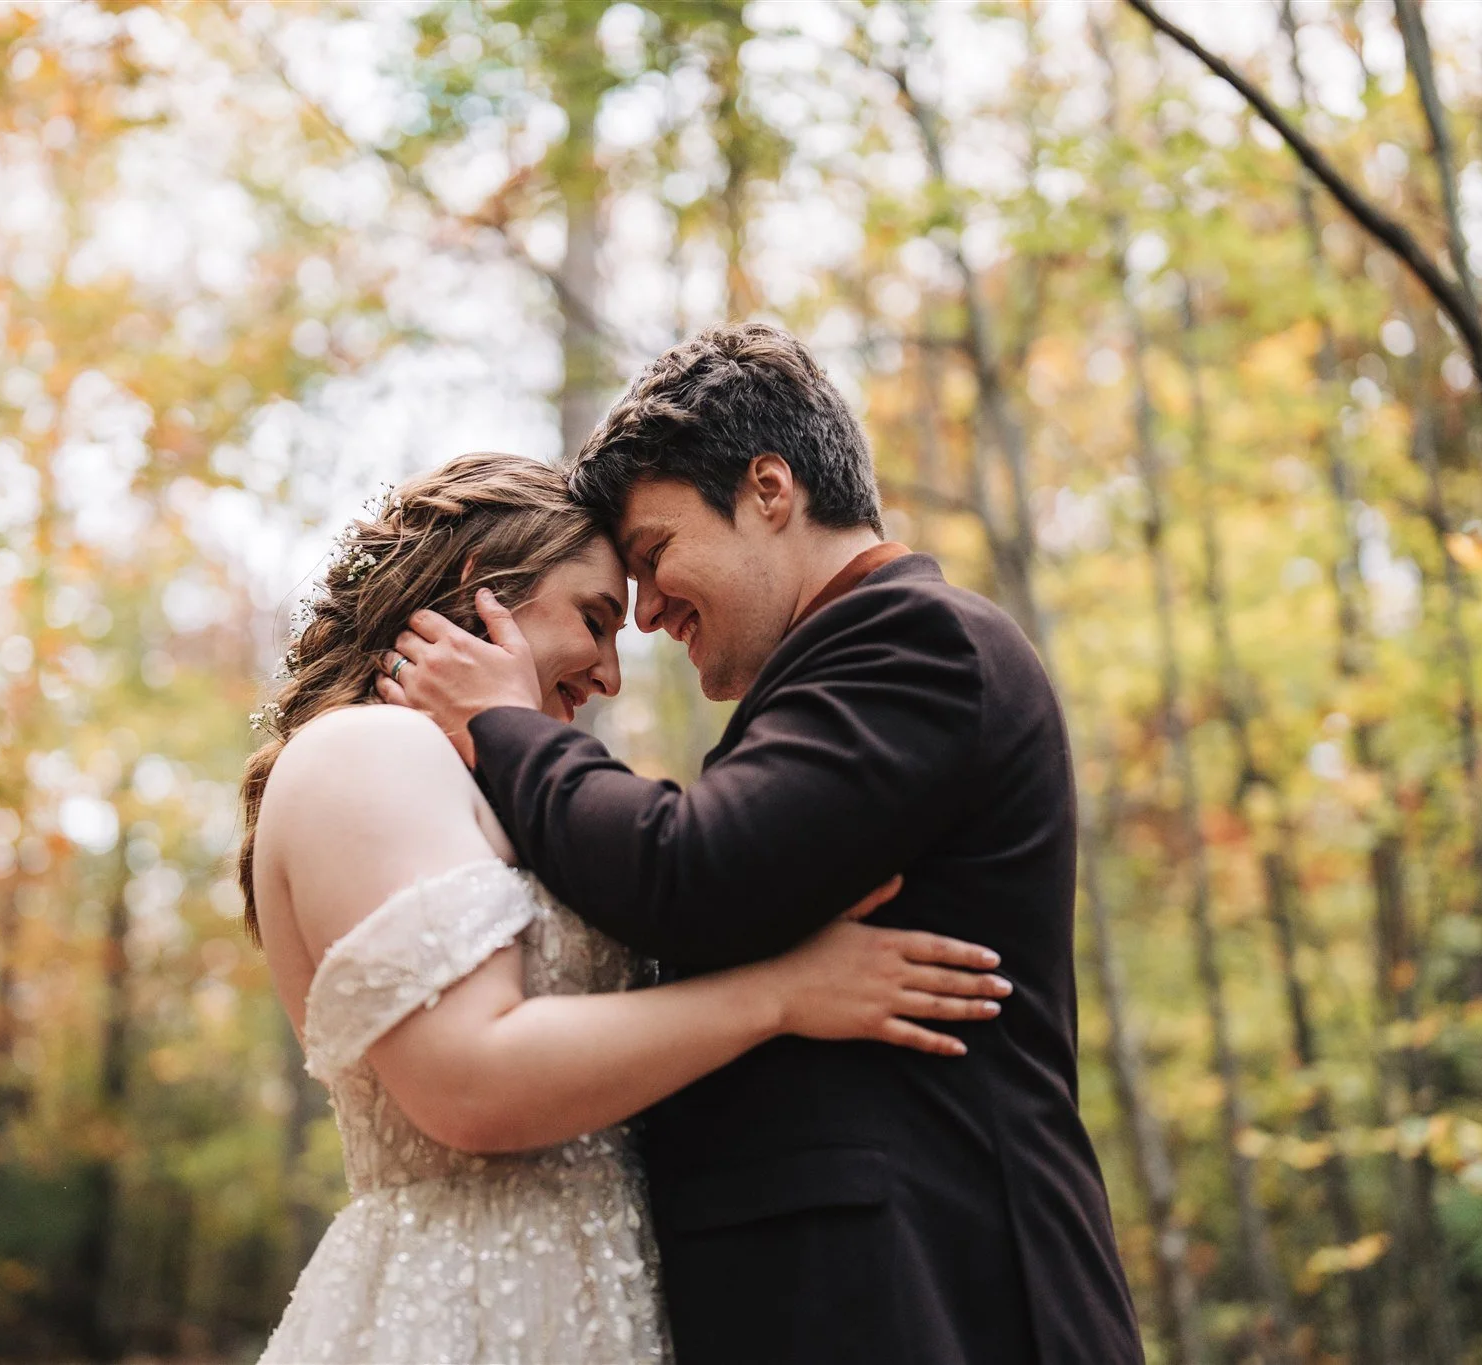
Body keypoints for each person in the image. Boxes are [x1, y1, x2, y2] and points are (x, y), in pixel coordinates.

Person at [380, 325, 1146, 1364]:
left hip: (936, 1294)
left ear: (769, 489)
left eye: (653, 558)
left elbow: (693, 873)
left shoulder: (918, 641)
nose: (646, 615)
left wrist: (503, 727)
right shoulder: (840, 668)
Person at [242, 452, 1013, 1364]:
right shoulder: (369, 751)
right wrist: (782, 994)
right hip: (471, 1309)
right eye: (596, 620)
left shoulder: (480, 793)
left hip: (604, 1298)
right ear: (479, 588)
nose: (609, 673)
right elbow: (469, 1084)